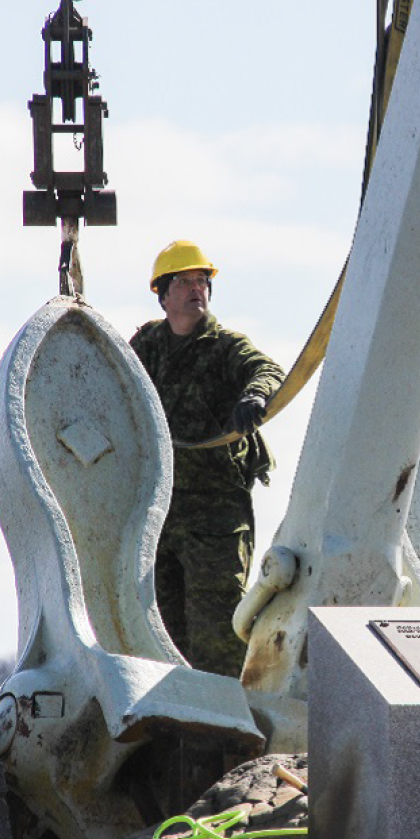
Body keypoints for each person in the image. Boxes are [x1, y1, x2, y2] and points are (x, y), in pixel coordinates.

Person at [130, 240, 285, 677]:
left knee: (217, 642)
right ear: (163, 294)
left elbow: (266, 370)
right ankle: (172, 742)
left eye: (203, 281)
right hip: (158, 517)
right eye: (185, 281)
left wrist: (255, 395)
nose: (197, 289)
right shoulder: (147, 347)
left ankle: (223, 741)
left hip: (216, 518)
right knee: (161, 643)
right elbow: (112, 386)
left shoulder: (224, 347)